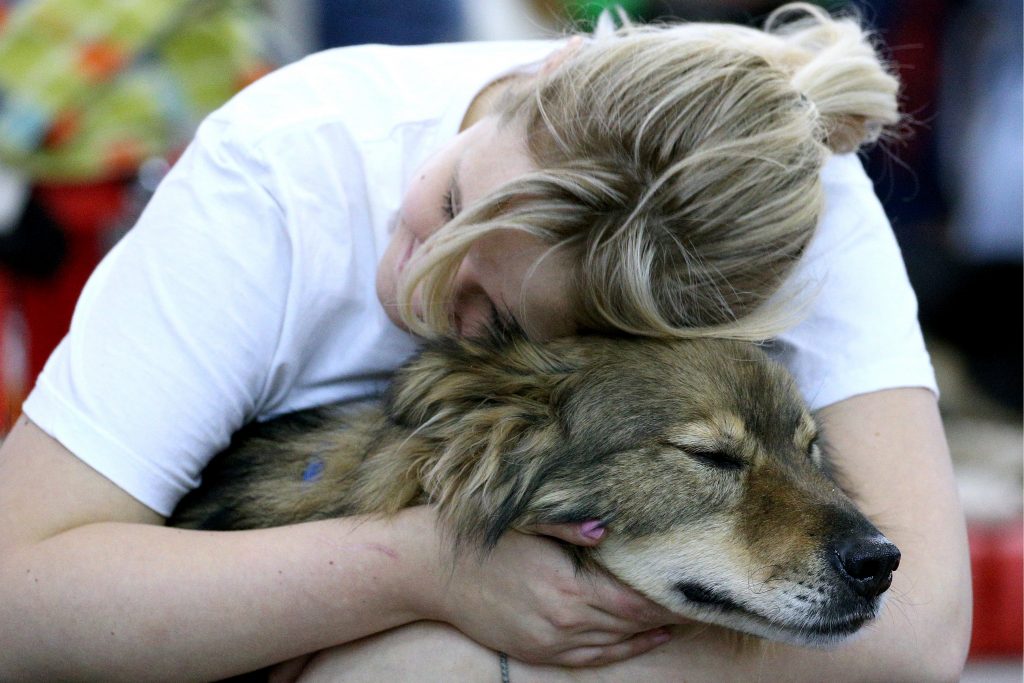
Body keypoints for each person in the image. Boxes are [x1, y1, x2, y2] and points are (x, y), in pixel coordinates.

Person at [0, 4, 971, 681]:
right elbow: (19, 599)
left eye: (499, 313)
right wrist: (416, 567)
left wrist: (456, 665)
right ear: (544, 73)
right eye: (457, 201)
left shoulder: (793, 201)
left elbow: (922, 628)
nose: (421, 279)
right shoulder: (281, 167)